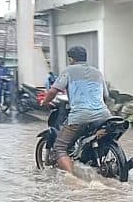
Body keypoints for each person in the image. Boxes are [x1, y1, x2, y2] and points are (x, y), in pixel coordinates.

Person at [40, 46, 112, 174]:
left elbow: (53, 91)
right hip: (104, 115)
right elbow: (105, 96)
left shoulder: (69, 70)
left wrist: (45, 102)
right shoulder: (97, 72)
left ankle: (72, 178)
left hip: (80, 115)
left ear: (71, 59)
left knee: (60, 147)